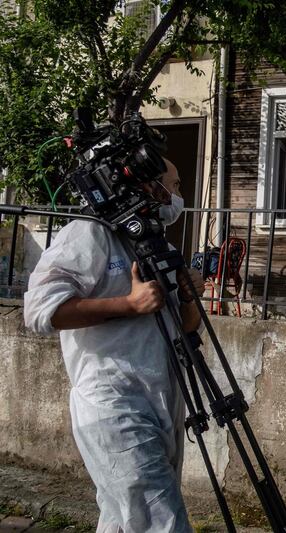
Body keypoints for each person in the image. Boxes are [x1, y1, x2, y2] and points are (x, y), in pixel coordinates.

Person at [23, 159, 204, 532]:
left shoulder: (153, 242)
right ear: (150, 186)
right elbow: (41, 310)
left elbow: (184, 328)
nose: (179, 195)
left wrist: (189, 298)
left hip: (161, 400)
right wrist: (128, 304)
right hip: (113, 403)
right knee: (162, 522)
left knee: (124, 521)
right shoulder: (90, 233)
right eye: (176, 183)